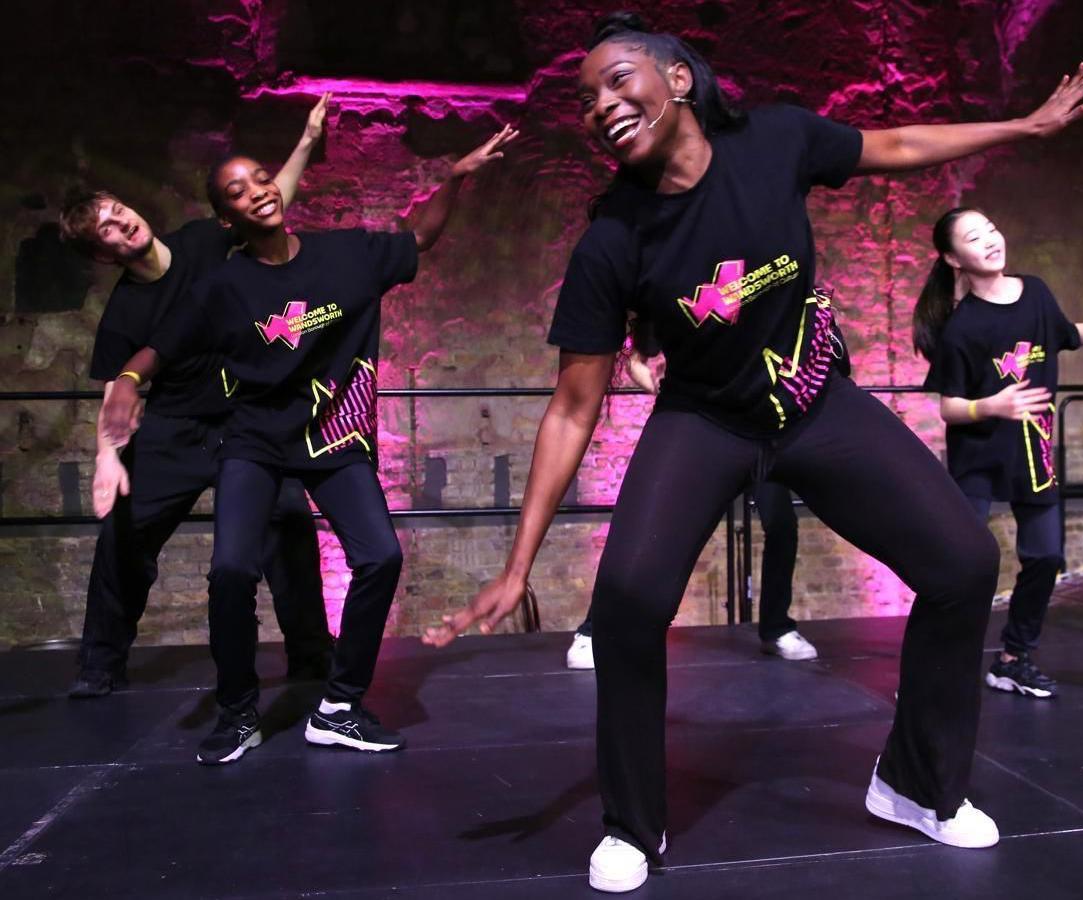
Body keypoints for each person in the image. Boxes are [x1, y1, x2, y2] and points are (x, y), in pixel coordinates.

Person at [424, 11, 1083, 893]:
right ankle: (634, 825)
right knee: (627, 599)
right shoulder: (613, 237)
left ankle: (915, 785)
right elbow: (572, 405)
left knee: (965, 561)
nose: (600, 104)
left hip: (817, 401)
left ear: (676, 79)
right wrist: (519, 565)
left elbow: (898, 142)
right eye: (585, 99)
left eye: (618, 79)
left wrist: (1023, 125)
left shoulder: (775, 141)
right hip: (705, 421)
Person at [102, 116, 518, 765]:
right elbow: (162, 343)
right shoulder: (222, 287)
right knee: (232, 569)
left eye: (260, 179)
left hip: (332, 438)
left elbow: (421, 237)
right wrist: (129, 379)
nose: (256, 191)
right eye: (237, 191)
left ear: (278, 187)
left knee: (379, 556)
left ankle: (340, 706)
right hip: (255, 442)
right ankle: (238, 711)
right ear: (227, 219)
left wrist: (456, 177)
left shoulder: (346, 256)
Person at [57, 96, 335, 699]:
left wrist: (308, 139)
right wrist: (108, 458)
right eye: (105, 227)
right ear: (104, 254)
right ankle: (100, 664)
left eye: (117, 210)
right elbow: (118, 389)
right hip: (177, 429)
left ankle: (312, 655)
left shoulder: (206, 241)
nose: (121, 221)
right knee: (124, 541)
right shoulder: (124, 313)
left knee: (287, 525)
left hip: (245, 420)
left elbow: (268, 200)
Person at [916, 207, 1083, 698]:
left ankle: (1013, 658)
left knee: (1046, 556)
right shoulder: (963, 327)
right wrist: (991, 404)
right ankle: (933, 667)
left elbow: (1067, 336)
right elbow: (948, 408)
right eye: (973, 237)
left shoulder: (1038, 293)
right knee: (963, 562)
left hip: (1035, 454)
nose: (989, 240)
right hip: (979, 461)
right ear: (951, 258)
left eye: (991, 228)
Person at [565, 330, 821, 668]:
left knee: (782, 525)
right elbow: (635, 354)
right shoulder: (693, 297)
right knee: (651, 530)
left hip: (757, 427)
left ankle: (776, 628)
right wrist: (653, 381)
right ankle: (593, 631)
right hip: (700, 428)